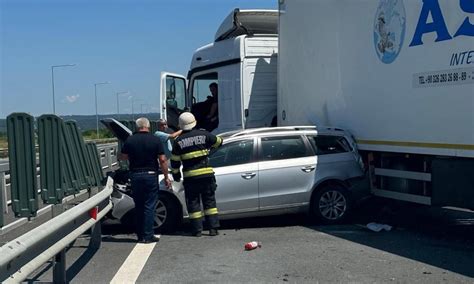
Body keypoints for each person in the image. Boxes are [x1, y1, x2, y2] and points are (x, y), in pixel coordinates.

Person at [170, 112, 223, 237]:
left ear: (181, 126)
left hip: (191, 178)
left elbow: (174, 162)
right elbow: (219, 142)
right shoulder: (204, 134)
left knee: (193, 204)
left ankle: (197, 230)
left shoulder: (179, 141)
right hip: (207, 176)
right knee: (210, 203)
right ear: (194, 122)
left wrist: (176, 176)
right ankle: (213, 229)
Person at [120, 117, 172, 243]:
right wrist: (166, 177)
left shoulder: (130, 140)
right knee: (149, 205)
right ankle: (148, 235)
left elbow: (122, 157)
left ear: (137, 127)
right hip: (150, 174)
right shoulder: (155, 140)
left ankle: (140, 235)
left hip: (135, 175)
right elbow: (163, 160)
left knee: (139, 205)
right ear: (148, 126)